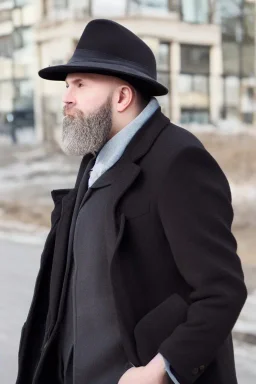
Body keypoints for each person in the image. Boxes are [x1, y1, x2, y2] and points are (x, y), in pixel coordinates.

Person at [16, 19, 247, 384]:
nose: (66, 97)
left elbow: (222, 291)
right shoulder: (95, 160)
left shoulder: (179, 161)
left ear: (122, 97)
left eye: (80, 84)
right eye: (67, 85)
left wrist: (160, 370)